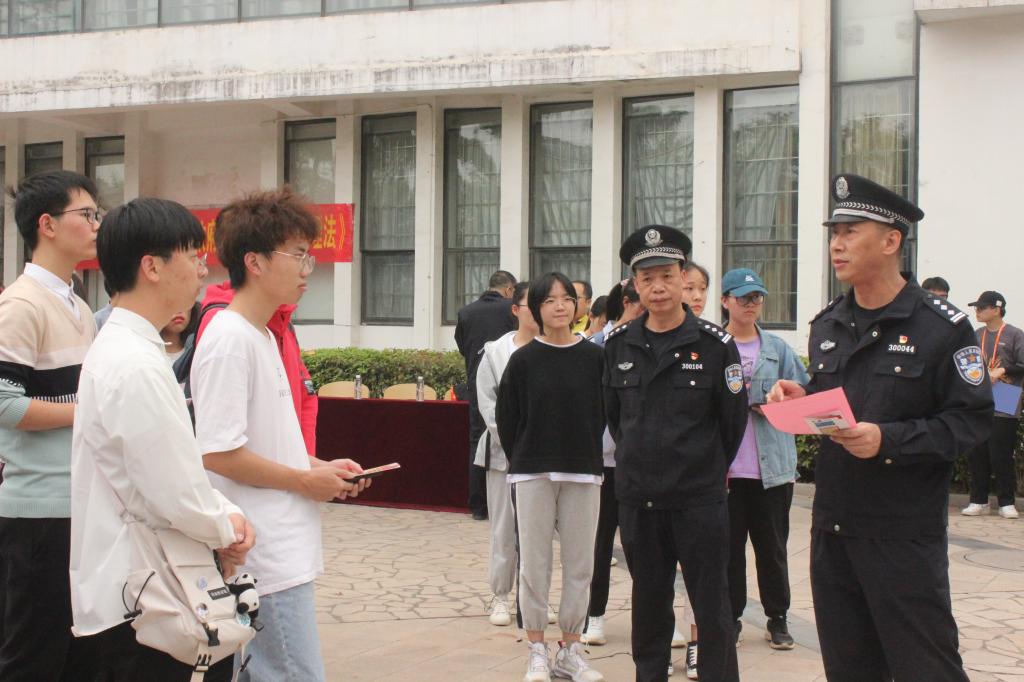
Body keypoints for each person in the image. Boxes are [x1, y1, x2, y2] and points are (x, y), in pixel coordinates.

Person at [768, 174, 992, 682]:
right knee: (849, 669)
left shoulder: (942, 327)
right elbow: (840, 401)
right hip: (834, 530)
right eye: (834, 232)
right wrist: (804, 398)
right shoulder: (828, 324)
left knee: (926, 668)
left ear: (891, 241)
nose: (836, 244)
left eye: (850, 231)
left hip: (903, 536)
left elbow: (971, 419)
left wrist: (888, 441)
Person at [69, 197, 255, 681]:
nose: (202, 269)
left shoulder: (128, 349)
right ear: (151, 267)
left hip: (131, 589)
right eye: (192, 256)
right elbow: (174, 491)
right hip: (148, 601)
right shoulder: (134, 363)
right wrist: (228, 527)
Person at [191, 188, 368, 682]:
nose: (308, 269)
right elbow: (218, 453)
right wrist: (304, 481)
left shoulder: (266, 335)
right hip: (263, 554)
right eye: (298, 255)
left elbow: (269, 442)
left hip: (282, 545)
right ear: (255, 262)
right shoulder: (229, 339)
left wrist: (322, 469)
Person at [605, 225, 747, 682]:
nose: (658, 287)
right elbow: (615, 420)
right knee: (649, 602)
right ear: (635, 285)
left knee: (711, 604)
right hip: (639, 499)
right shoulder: (618, 345)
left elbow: (732, 423)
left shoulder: (715, 345)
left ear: (683, 277)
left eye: (667, 275)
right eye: (647, 278)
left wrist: (700, 468)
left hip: (698, 500)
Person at [0, 170, 100, 681]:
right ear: (47, 225)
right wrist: (91, 412)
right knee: (31, 659)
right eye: (87, 214)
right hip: (39, 514)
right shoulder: (21, 305)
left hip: (79, 506)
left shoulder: (78, 304)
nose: (96, 225)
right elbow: (5, 406)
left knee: (77, 657)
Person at [496, 272, 606, 682]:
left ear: (577, 306)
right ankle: (537, 649)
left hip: (583, 470)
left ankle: (571, 650)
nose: (560, 306)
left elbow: (605, 413)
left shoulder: (595, 358)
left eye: (567, 299)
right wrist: (525, 457)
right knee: (535, 564)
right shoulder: (523, 360)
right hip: (532, 472)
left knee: (580, 563)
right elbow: (508, 418)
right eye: (549, 300)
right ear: (536, 309)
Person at [719, 268, 809, 654]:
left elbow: (803, 393)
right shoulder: (714, 346)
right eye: (743, 298)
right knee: (728, 551)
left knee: (772, 549)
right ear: (725, 301)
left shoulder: (777, 348)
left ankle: (778, 618)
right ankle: (731, 617)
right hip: (726, 470)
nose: (751, 304)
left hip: (772, 470)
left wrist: (782, 398)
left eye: (757, 298)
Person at [581, 277, 645, 649]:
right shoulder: (595, 349)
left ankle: (657, 617)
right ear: (628, 303)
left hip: (639, 463)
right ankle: (594, 615)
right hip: (601, 463)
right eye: (641, 306)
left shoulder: (650, 344)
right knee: (600, 543)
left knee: (645, 546)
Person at [474, 281, 537, 627]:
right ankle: (500, 595)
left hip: (543, 456)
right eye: (531, 304)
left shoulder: (555, 349)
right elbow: (489, 405)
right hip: (503, 454)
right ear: (515, 309)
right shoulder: (495, 352)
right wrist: (517, 442)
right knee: (504, 528)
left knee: (537, 532)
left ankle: (535, 597)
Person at [197, 279, 319, 455]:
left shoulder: (271, 327)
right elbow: (219, 451)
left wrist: (308, 464)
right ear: (254, 265)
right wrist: (302, 471)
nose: (305, 271)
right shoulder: (228, 334)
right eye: (297, 259)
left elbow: (305, 393)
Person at [455, 270, 518, 520]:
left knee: (477, 441)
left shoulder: (466, 312)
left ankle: (478, 505)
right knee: (509, 437)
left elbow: (463, 347)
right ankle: (509, 502)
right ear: (509, 290)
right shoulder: (511, 310)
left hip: (477, 382)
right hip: (509, 382)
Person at [962, 291, 1024, 519]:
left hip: (1006, 394)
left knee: (1001, 453)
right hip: (979, 397)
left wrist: (1002, 370)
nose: (977, 312)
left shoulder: (1015, 334)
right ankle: (978, 500)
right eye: (976, 308)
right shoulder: (975, 335)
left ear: (996, 309)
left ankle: (1006, 502)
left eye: (981, 307)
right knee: (976, 452)